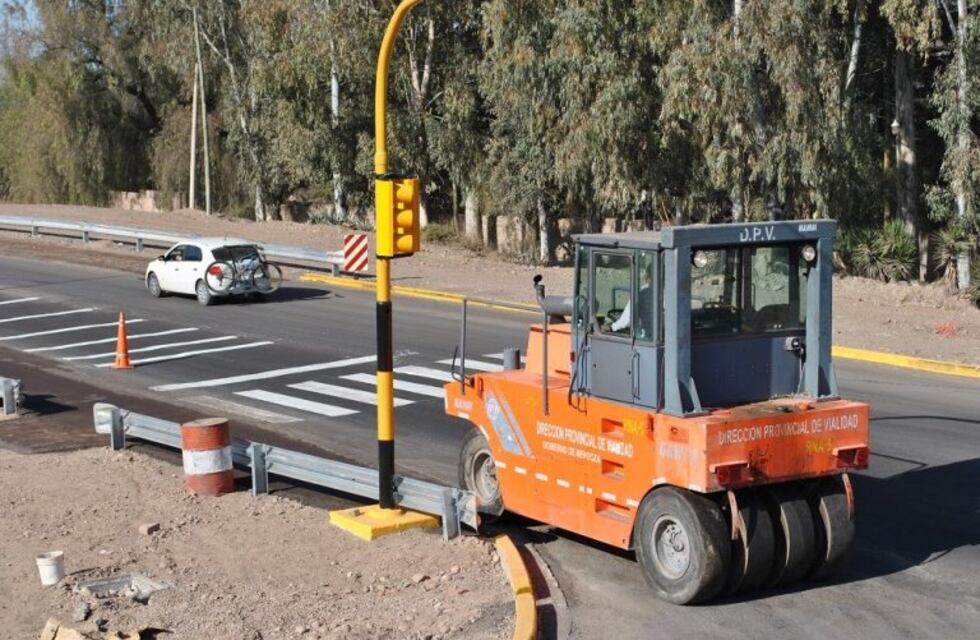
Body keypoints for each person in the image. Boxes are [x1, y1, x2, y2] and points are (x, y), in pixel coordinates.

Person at [609, 263, 654, 336]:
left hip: (647, 338)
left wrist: (612, 327)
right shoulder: (674, 293)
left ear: (648, 277)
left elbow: (627, 320)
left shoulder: (644, 292)